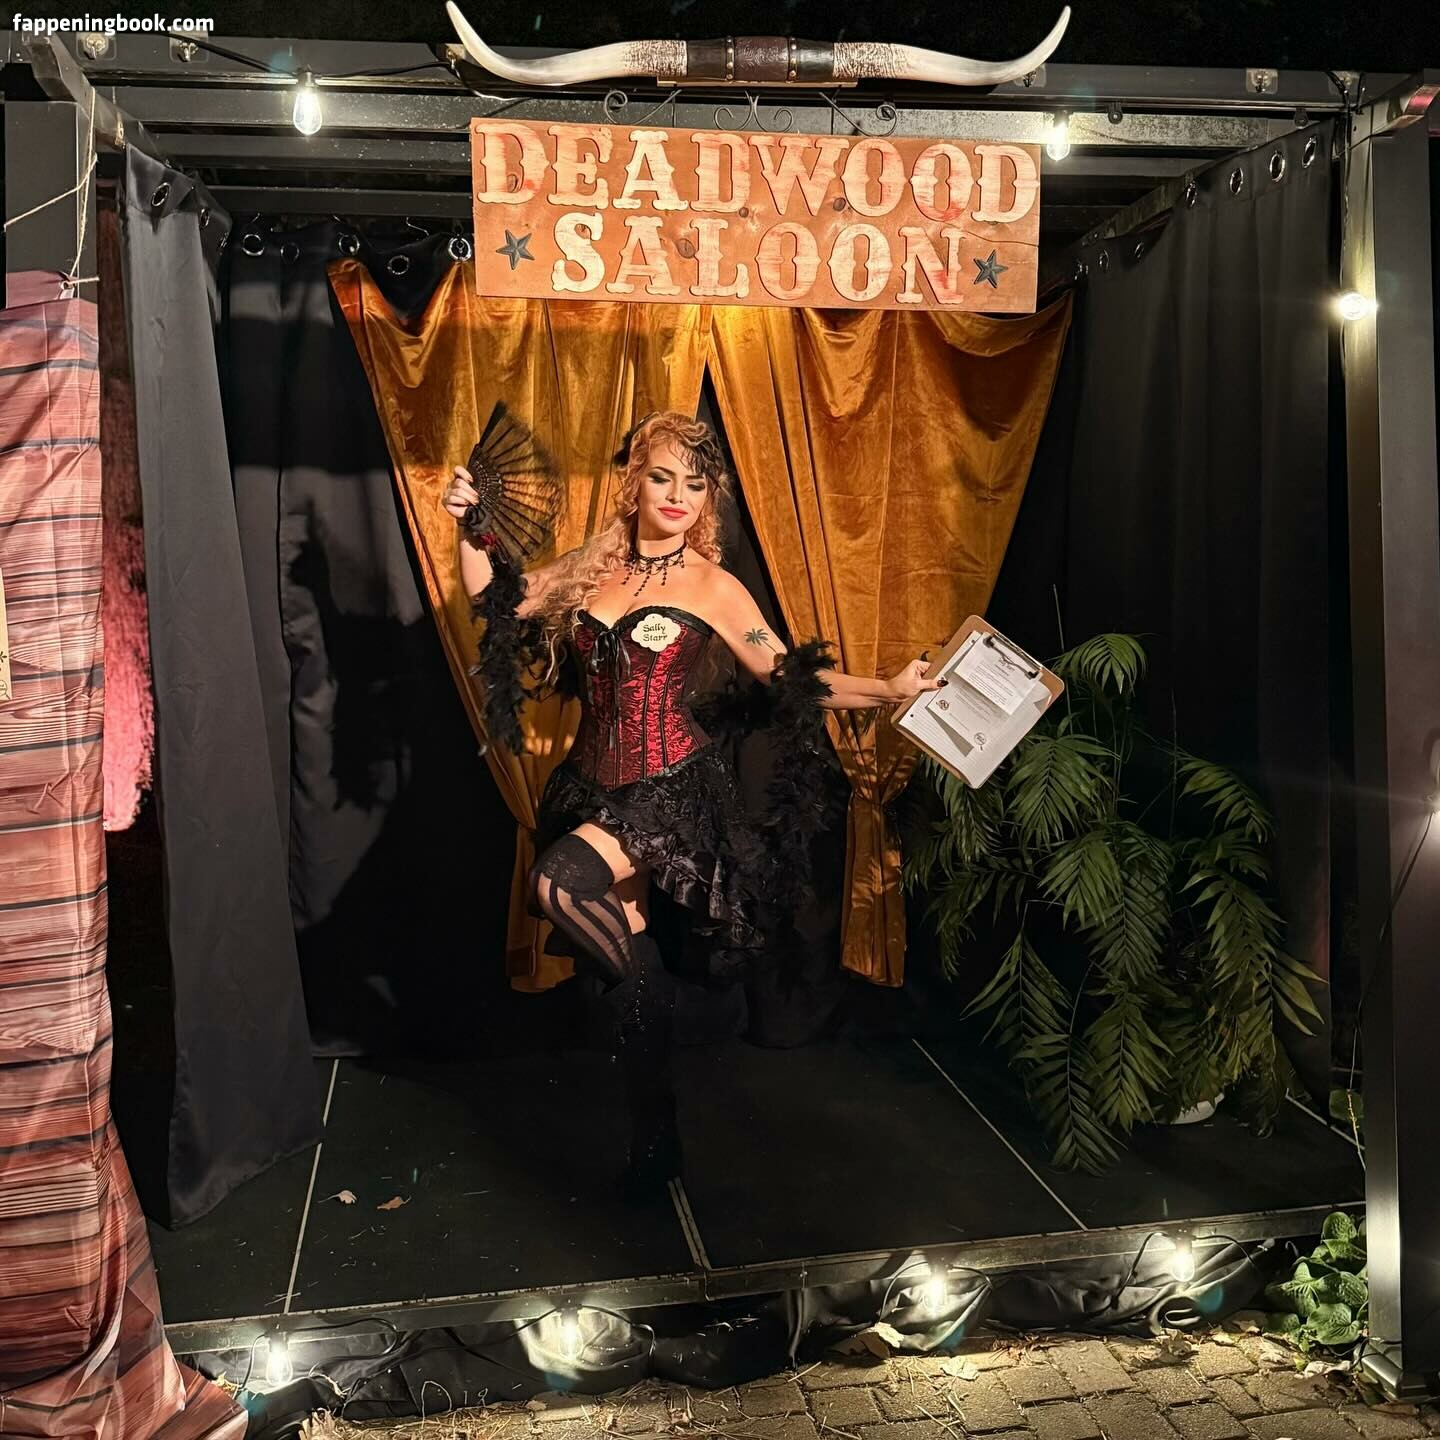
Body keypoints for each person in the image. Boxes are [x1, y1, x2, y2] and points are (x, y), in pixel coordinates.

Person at [445, 411, 939, 1200]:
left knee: (559, 885)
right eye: (662, 477)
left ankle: (650, 1007)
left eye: (695, 483)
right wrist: (472, 527)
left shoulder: (712, 584)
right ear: (634, 483)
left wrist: (887, 688)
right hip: (591, 784)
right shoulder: (593, 564)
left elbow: (791, 677)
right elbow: (499, 602)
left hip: (668, 787)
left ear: (709, 498)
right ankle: (657, 1138)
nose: (678, 495)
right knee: (630, 961)